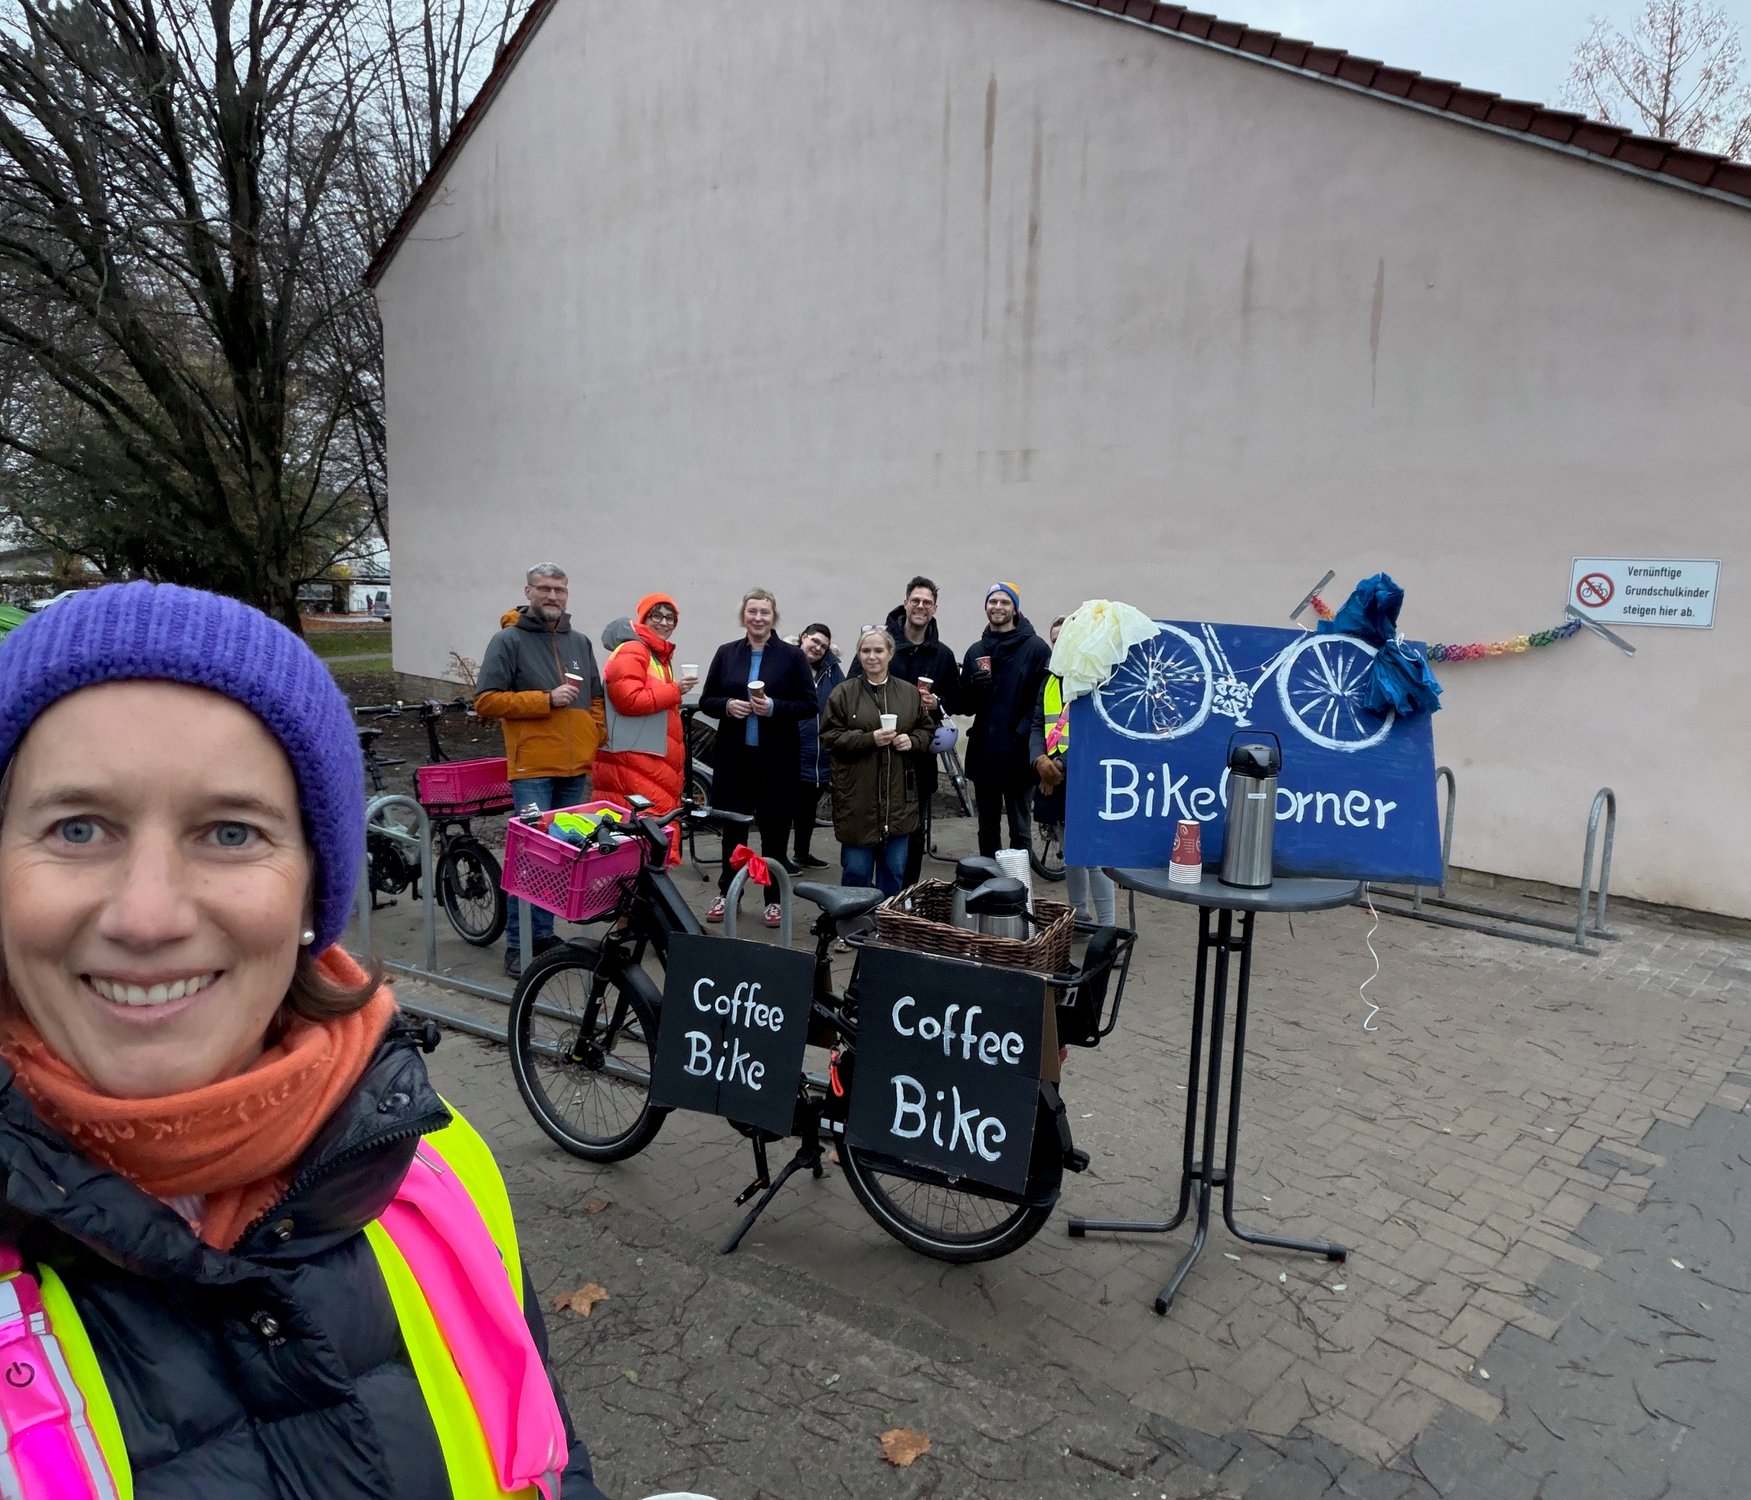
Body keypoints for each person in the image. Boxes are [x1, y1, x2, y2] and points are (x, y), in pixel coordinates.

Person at [0, 581, 606, 1499]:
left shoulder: (433, 1162)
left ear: (310, 900)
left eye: (231, 832)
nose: (148, 915)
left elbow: (554, 1457)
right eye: (77, 828)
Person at [474, 562, 607, 976]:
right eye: (545, 589)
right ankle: (519, 943)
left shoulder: (580, 642)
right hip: (532, 767)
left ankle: (544, 935)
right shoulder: (507, 640)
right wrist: (544, 700)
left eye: (560, 590)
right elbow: (486, 701)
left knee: (561, 858)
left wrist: (594, 733)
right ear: (528, 592)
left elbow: (596, 698)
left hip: (574, 769)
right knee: (529, 857)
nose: (553, 597)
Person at [699, 589, 814, 926]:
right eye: (753, 612)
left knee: (775, 831)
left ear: (773, 616)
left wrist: (775, 707)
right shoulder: (726, 653)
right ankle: (727, 893)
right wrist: (727, 706)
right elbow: (707, 699)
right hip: (735, 758)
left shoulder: (792, 657)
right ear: (743, 616)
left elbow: (810, 704)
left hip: (776, 759)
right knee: (733, 829)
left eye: (765, 612)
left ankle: (773, 900)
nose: (758, 618)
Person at [852, 577, 962, 884]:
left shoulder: (941, 655)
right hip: (874, 755)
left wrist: (937, 701)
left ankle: (906, 899)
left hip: (917, 758)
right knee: (871, 827)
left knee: (913, 833)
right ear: (905, 602)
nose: (921, 607)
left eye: (927, 602)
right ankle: (868, 899)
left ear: (934, 609)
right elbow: (850, 689)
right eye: (916, 600)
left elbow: (958, 699)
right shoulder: (879, 645)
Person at [821, 627, 932, 896]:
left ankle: (885, 928)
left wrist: (912, 741)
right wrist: (870, 739)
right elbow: (829, 737)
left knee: (893, 872)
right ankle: (853, 929)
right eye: (866, 650)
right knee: (856, 872)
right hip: (857, 801)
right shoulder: (843, 693)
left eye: (878, 650)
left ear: (890, 654)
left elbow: (927, 730)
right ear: (859, 655)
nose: (872, 656)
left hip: (898, 801)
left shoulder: (908, 693)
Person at [592, 593, 697, 862]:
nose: (664, 622)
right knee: (642, 842)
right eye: (656, 616)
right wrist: (675, 690)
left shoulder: (656, 655)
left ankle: (646, 899)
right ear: (643, 618)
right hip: (635, 760)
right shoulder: (634, 649)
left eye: (669, 618)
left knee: (647, 839)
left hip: (648, 759)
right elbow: (627, 700)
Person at [1032, 615, 1117, 925]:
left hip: (1086, 778)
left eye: (1064, 639)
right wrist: (1039, 760)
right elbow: (1038, 723)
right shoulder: (1051, 680)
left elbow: (1099, 731)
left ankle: (1107, 928)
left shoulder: (1097, 678)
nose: (1059, 645)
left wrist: (1061, 765)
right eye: (1054, 640)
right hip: (1053, 778)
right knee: (1072, 855)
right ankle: (1079, 916)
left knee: (1093, 858)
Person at [960, 581, 1053, 858]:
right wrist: (973, 686)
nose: (998, 607)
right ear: (986, 607)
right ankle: (988, 887)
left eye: (1004, 602)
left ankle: (1018, 890)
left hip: (1019, 755)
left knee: (1019, 830)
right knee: (986, 829)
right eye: (993, 602)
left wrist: (1021, 731)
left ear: (1015, 608)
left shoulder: (1036, 648)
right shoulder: (976, 650)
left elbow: (1044, 700)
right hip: (984, 752)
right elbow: (965, 706)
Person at [791, 623, 843, 869]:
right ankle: (778, 860)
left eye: (823, 645)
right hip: (792, 751)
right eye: (814, 641)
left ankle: (802, 854)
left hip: (821, 754)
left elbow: (843, 700)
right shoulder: (786, 664)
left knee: (808, 810)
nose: (818, 648)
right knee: (784, 811)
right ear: (803, 638)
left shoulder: (832, 672)